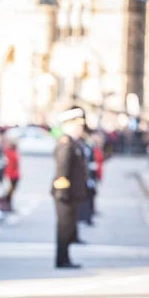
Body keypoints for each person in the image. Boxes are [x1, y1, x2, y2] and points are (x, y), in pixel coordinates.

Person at [51, 106, 88, 269]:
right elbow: (62, 170)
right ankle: (62, 259)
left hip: (71, 192)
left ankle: (65, 257)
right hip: (65, 193)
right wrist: (62, 191)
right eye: (79, 125)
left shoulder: (73, 142)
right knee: (64, 227)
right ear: (70, 124)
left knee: (68, 227)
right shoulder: (66, 143)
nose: (81, 129)